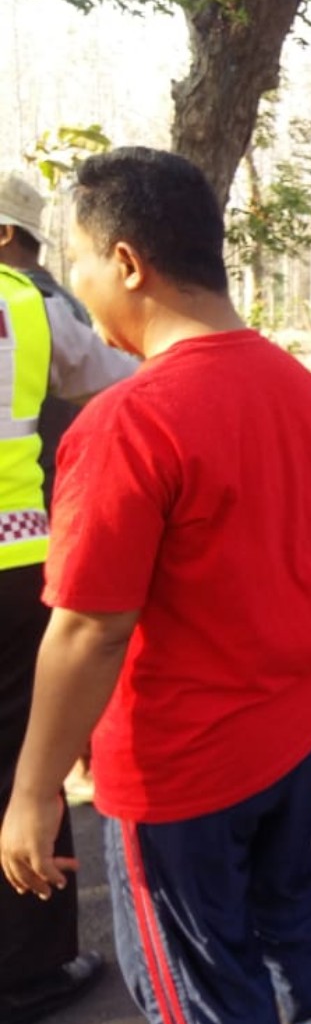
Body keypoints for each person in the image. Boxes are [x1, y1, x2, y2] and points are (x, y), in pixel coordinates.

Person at [0, 147, 311, 1024]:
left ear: (127, 262)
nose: (76, 288)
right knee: (290, 904)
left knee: (201, 980)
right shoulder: (298, 387)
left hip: (183, 765)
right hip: (297, 722)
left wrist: (32, 790)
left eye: (79, 265)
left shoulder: (129, 423)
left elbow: (90, 629)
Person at [0, 170, 136, 1024]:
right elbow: (125, 376)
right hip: (13, 562)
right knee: (25, 763)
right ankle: (28, 970)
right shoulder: (27, 306)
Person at [0, 172, 118, 810]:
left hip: (40, 530)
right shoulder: (50, 309)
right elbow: (122, 382)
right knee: (28, 733)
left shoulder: (38, 305)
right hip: (34, 538)